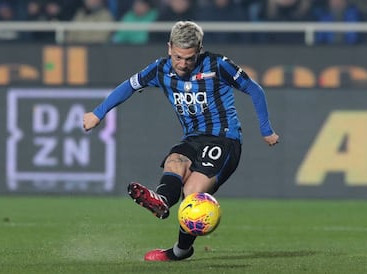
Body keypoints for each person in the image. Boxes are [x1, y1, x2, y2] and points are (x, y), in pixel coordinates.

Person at [83, 21, 279, 261]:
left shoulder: (218, 65)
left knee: (192, 192)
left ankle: (180, 250)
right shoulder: (159, 69)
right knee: (174, 161)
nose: (183, 64)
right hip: (192, 138)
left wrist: (266, 129)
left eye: (189, 58)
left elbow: (254, 89)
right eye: (178, 57)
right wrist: (97, 113)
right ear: (169, 48)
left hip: (224, 139)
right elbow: (129, 86)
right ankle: (162, 201)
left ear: (199, 50)